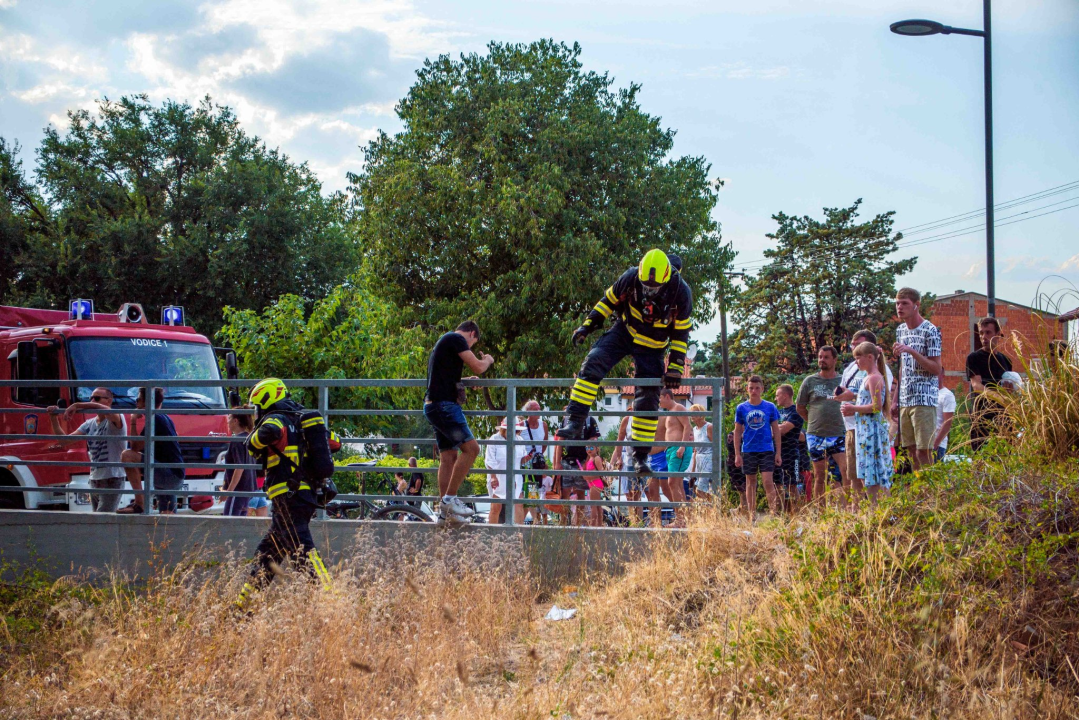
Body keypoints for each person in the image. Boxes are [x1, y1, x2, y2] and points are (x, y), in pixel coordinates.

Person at [563, 249, 693, 480]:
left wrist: (675, 367)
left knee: (649, 396)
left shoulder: (681, 292)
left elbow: (681, 334)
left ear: (667, 277)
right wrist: (586, 326)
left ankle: (640, 456)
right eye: (646, 286)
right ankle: (575, 420)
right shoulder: (630, 277)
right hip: (625, 331)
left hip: (653, 345)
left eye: (655, 288)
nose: (649, 291)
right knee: (593, 362)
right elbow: (607, 302)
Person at [236, 378, 332, 609]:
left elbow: (257, 441)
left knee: (303, 553)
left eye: (257, 409)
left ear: (265, 401)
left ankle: (332, 602)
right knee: (267, 556)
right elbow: (334, 442)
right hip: (303, 496)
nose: (256, 414)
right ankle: (241, 609)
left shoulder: (274, 419)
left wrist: (256, 432)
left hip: (288, 497)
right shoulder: (302, 419)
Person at [423, 320, 495, 524]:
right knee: (472, 450)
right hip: (445, 407)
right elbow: (480, 367)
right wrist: (488, 360)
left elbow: (444, 375)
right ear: (472, 334)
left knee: (448, 456)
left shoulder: (444, 342)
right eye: (472, 345)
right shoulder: (455, 338)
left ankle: (445, 514)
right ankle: (449, 500)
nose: (470, 349)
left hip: (433, 405)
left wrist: (464, 380)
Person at [47, 388, 127, 513]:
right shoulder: (89, 423)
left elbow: (108, 412)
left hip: (112, 478)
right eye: (90, 398)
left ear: (109, 401)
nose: (91, 401)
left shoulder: (116, 418)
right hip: (95, 479)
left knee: (102, 520)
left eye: (96, 398)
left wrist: (78, 404)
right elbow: (65, 441)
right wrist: (53, 419)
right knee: (98, 519)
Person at [893, 287, 943, 471]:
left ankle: (932, 493)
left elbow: (936, 368)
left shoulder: (930, 330)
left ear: (916, 305)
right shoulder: (900, 331)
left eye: (904, 303)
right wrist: (895, 399)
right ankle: (919, 492)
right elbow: (902, 369)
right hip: (906, 398)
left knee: (924, 450)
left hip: (924, 398)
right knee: (911, 451)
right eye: (897, 303)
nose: (899, 307)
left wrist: (912, 351)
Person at [838, 342, 893, 505]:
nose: (856, 362)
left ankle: (880, 509)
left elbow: (877, 406)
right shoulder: (867, 378)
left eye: (858, 358)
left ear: (870, 357)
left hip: (872, 431)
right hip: (863, 430)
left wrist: (853, 408)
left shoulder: (875, 377)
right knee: (864, 473)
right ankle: (873, 509)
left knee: (873, 471)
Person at [114, 387, 185, 514]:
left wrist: (133, 420)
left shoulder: (155, 419)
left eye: (138, 399)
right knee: (167, 517)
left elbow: (134, 448)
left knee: (127, 456)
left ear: (147, 402)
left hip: (169, 475)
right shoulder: (164, 417)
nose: (136, 403)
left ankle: (139, 503)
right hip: (172, 473)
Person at [796, 346, 850, 506]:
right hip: (816, 435)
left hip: (839, 433)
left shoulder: (843, 380)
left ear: (834, 360)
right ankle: (820, 512)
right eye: (820, 357)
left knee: (845, 471)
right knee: (819, 475)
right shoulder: (810, 381)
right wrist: (812, 421)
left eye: (826, 357)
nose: (822, 360)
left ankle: (849, 510)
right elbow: (800, 407)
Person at [733, 375, 781, 521]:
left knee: (767, 481)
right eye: (751, 388)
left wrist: (778, 452)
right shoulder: (741, 408)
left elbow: (776, 430)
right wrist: (737, 454)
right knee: (750, 481)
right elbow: (737, 431)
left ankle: (774, 514)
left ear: (762, 389)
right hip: (748, 449)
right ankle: (751, 515)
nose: (754, 391)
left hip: (766, 448)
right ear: (747, 389)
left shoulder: (770, 407)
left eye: (757, 388)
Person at [965, 316, 1012, 451]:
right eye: (981, 333)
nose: (984, 337)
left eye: (988, 332)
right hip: (982, 419)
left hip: (1003, 419)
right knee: (980, 461)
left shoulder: (1006, 360)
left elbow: (1010, 387)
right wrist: (999, 397)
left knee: (1005, 460)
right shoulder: (973, 358)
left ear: (997, 334)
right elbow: (977, 386)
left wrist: (1010, 393)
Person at [553, 411, 601, 526]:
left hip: (582, 462)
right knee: (565, 494)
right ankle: (563, 523)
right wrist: (557, 463)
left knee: (580, 494)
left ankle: (578, 525)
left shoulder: (590, 421)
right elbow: (560, 442)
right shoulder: (566, 420)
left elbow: (594, 442)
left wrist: (588, 461)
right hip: (567, 460)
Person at [485, 419, 530, 525]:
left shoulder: (520, 440)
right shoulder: (494, 439)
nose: (514, 433)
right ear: (503, 430)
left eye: (516, 431)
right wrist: (493, 477)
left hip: (516, 477)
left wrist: (528, 457)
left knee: (518, 504)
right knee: (496, 506)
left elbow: (521, 460)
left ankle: (518, 535)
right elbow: (490, 460)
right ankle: (492, 534)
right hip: (498, 476)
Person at [658, 388, 691, 525]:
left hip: (679, 449)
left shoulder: (679, 407)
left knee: (672, 482)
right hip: (671, 450)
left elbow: (687, 426)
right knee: (677, 484)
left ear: (666, 396)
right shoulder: (668, 413)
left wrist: (682, 446)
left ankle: (680, 518)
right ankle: (684, 518)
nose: (658, 401)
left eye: (659, 398)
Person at [774, 384, 803, 513]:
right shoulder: (778, 412)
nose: (776, 399)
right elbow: (776, 429)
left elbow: (783, 430)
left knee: (792, 485)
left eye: (777, 395)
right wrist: (776, 428)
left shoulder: (795, 411)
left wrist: (777, 428)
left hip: (791, 453)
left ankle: (797, 513)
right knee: (778, 484)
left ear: (785, 395)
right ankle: (780, 512)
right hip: (777, 452)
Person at [222, 411, 257, 516]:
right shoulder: (249, 438)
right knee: (239, 522)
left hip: (238, 490)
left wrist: (229, 491)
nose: (227, 422)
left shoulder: (237, 440)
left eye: (229, 419)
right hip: (248, 488)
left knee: (228, 522)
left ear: (235, 421)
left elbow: (239, 467)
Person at [520, 400, 549, 523]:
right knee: (528, 495)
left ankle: (524, 522)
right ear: (528, 412)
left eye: (539, 408)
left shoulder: (544, 425)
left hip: (537, 466)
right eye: (535, 409)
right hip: (525, 466)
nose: (539, 411)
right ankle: (531, 522)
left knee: (532, 494)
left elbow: (545, 443)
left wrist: (539, 458)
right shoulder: (521, 425)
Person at [687, 405, 714, 499]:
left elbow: (715, 447)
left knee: (700, 490)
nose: (692, 415)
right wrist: (693, 471)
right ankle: (712, 509)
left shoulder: (709, 427)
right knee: (697, 489)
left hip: (708, 459)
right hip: (699, 460)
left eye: (695, 412)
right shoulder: (694, 430)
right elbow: (695, 451)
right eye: (691, 413)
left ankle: (715, 507)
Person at [583, 443, 608, 527]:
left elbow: (600, 473)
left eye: (591, 447)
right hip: (592, 484)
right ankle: (599, 524)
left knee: (593, 505)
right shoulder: (589, 458)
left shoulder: (597, 458)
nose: (589, 450)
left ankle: (593, 524)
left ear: (597, 448)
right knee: (597, 505)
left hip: (596, 483)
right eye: (587, 447)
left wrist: (588, 477)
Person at [933, 374, 956, 462]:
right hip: (922, 443)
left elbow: (947, 423)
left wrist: (935, 444)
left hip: (938, 445)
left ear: (942, 375)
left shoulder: (947, 395)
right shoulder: (926, 393)